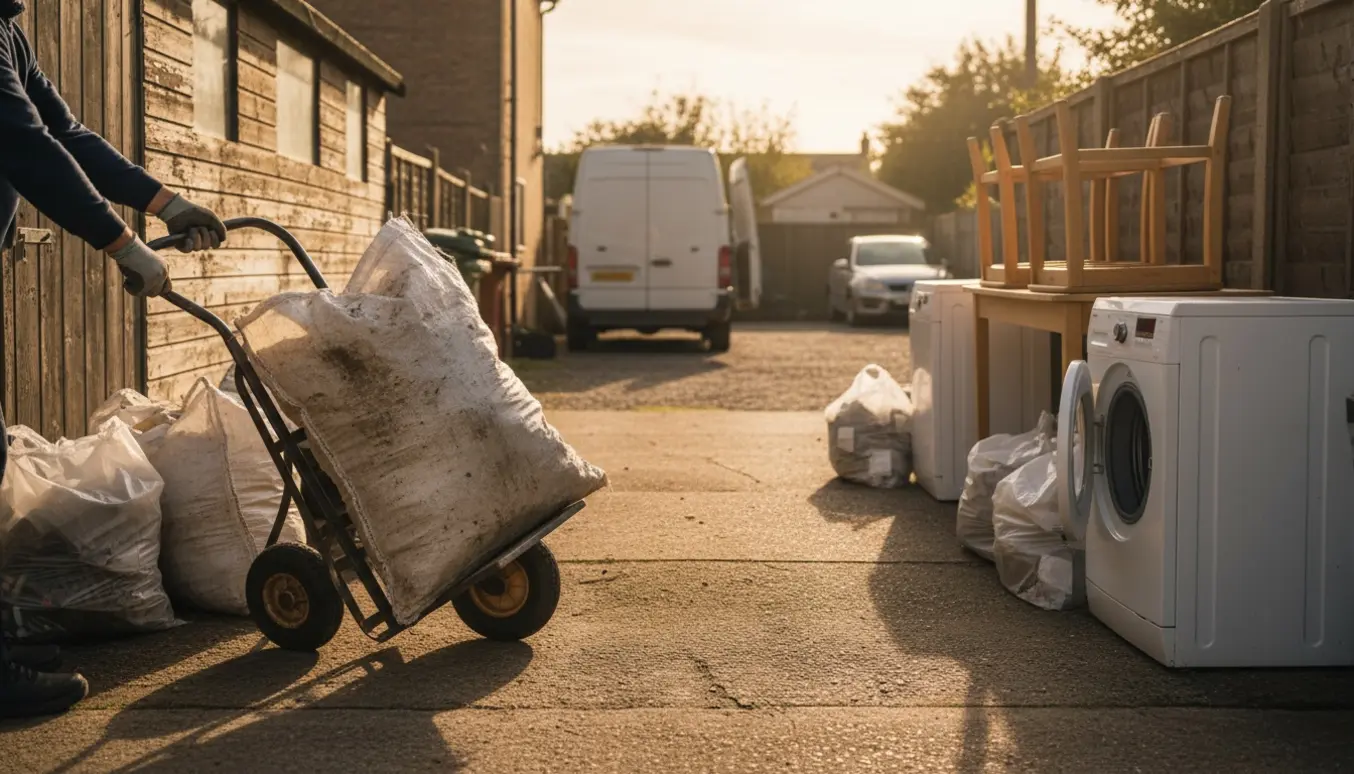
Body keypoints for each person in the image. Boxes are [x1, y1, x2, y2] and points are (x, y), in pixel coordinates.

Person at [0, 0, 228, 719]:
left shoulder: (6, 28)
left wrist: (166, 204)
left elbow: (68, 132)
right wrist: (119, 243)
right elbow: (27, 146)